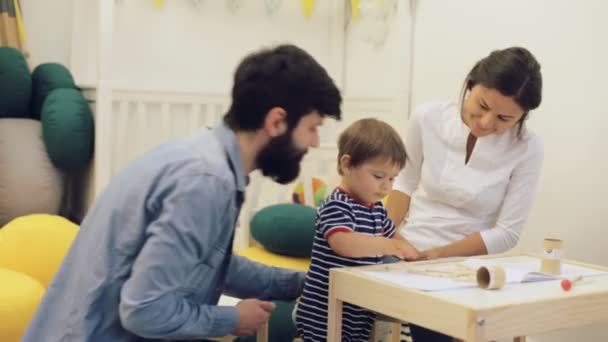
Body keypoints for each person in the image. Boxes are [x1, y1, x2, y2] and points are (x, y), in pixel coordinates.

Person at [23, 44, 342, 342]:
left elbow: (209, 262)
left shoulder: (206, 159)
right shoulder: (205, 182)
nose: (314, 143)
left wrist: (301, 282)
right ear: (277, 122)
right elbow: (143, 311)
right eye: (312, 128)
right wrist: (232, 319)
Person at [386, 46, 543, 341]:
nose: (486, 122)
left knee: (444, 320)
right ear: (471, 84)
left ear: (522, 117)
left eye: (504, 118)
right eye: (482, 105)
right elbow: (403, 183)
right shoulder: (427, 117)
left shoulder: (527, 148)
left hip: (466, 266)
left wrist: (440, 255)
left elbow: (507, 232)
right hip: (407, 249)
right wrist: (389, 237)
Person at [295, 118, 420, 342]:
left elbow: (394, 235)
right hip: (324, 312)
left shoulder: (376, 209)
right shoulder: (337, 204)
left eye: (392, 179)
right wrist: (390, 246)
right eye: (379, 176)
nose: (387, 186)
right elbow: (344, 243)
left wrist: (414, 255)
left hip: (358, 310)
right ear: (347, 165)